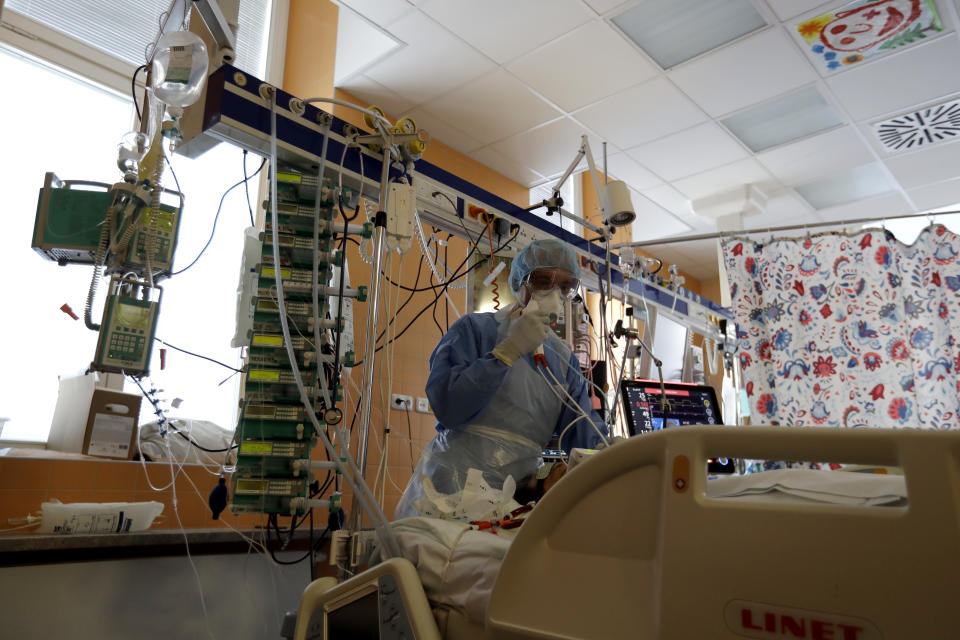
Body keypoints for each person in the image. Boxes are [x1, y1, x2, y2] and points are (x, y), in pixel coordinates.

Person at [395, 238, 609, 519]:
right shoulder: (475, 330)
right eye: (543, 281)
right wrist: (506, 353)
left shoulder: (563, 361)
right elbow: (448, 407)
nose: (554, 293)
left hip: (516, 498)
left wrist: (613, 453)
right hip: (450, 489)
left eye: (565, 286)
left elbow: (584, 435)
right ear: (520, 282)